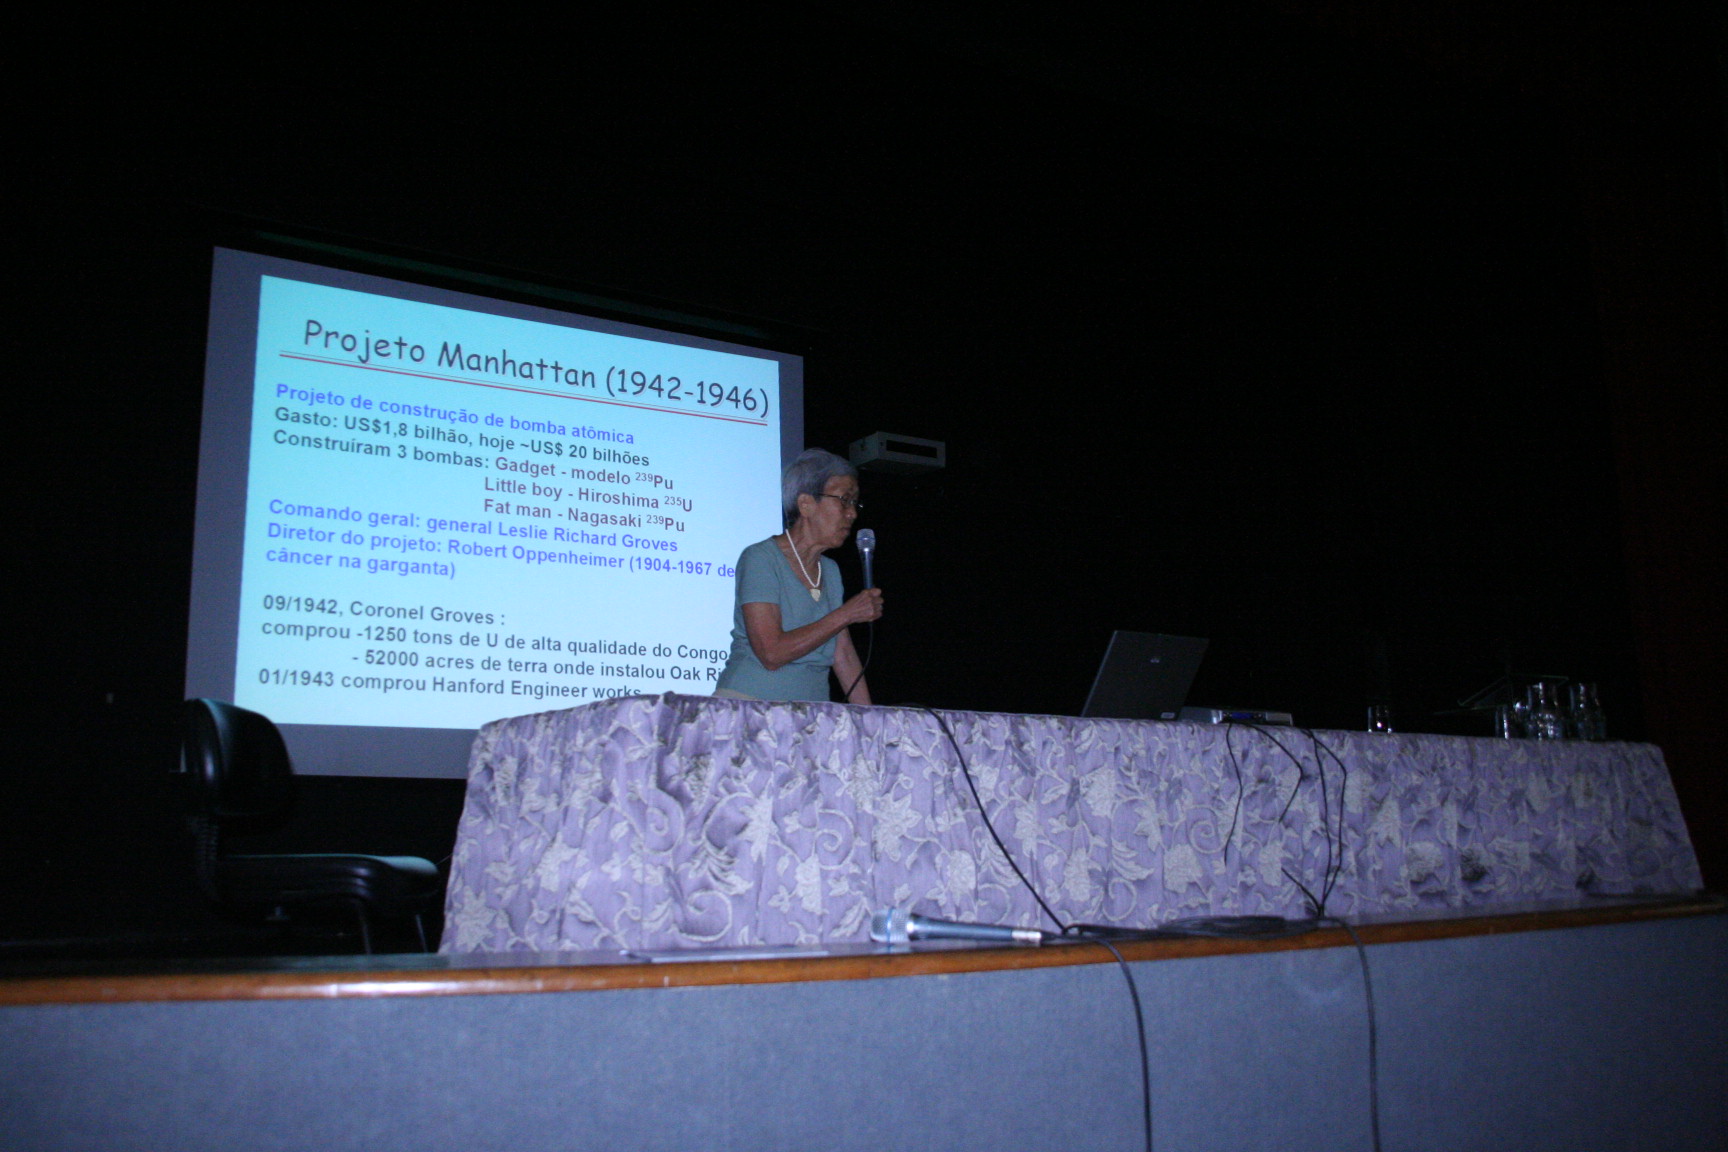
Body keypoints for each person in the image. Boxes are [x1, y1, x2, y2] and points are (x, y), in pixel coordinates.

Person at [713, 449, 884, 703]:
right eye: (844, 500)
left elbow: (843, 655)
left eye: (854, 503)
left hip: (811, 712)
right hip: (749, 706)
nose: (852, 513)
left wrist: (870, 719)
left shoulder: (830, 570)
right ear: (806, 504)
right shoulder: (760, 558)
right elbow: (771, 653)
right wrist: (846, 614)